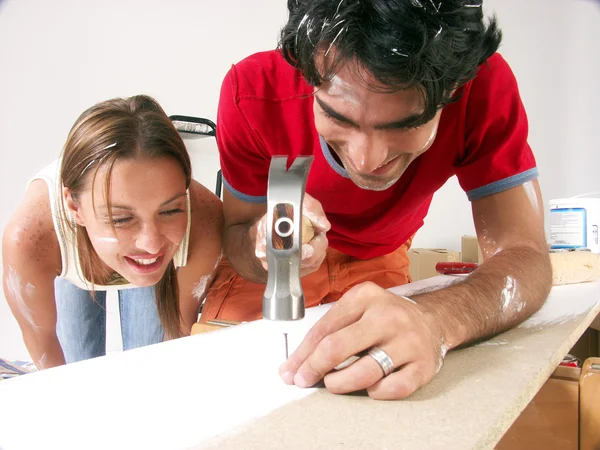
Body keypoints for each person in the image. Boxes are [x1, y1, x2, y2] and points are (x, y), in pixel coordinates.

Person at [204, 0, 552, 400]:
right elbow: (236, 233)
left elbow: (525, 254)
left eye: (406, 124)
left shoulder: (483, 86)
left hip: (382, 257)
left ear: (453, 89)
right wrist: (260, 244)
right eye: (339, 117)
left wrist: (437, 319)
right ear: (305, 72)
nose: (366, 161)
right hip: (271, 273)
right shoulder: (249, 92)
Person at [2, 95, 223, 369]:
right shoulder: (30, 240)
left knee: (147, 360)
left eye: (170, 211)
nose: (151, 244)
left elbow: (176, 338)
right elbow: (46, 352)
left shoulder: (206, 220)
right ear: (74, 206)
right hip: (65, 243)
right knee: (76, 359)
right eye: (121, 219)